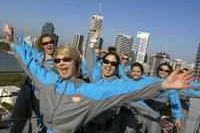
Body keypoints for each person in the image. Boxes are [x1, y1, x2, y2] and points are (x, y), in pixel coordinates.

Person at [3, 23, 195, 133]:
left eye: (67, 59)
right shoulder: (49, 80)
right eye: (58, 60)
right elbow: (31, 65)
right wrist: (14, 43)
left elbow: (129, 91)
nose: (61, 63)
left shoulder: (89, 91)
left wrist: (161, 84)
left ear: (76, 63)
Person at [2, 23, 55, 133]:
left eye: (51, 42)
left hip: (39, 95)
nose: (49, 45)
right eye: (46, 43)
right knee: (16, 118)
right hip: (26, 89)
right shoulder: (38, 55)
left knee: (35, 123)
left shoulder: (57, 63)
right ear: (42, 45)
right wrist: (13, 35)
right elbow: (25, 47)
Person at [145, 63, 182, 133]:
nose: (163, 72)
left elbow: (176, 102)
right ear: (158, 70)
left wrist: (178, 117)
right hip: (144, 113)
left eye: (166, 71)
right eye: (161, 69)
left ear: (169, 73)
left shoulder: (171, 87)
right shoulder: (150, 81)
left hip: (157, 116)